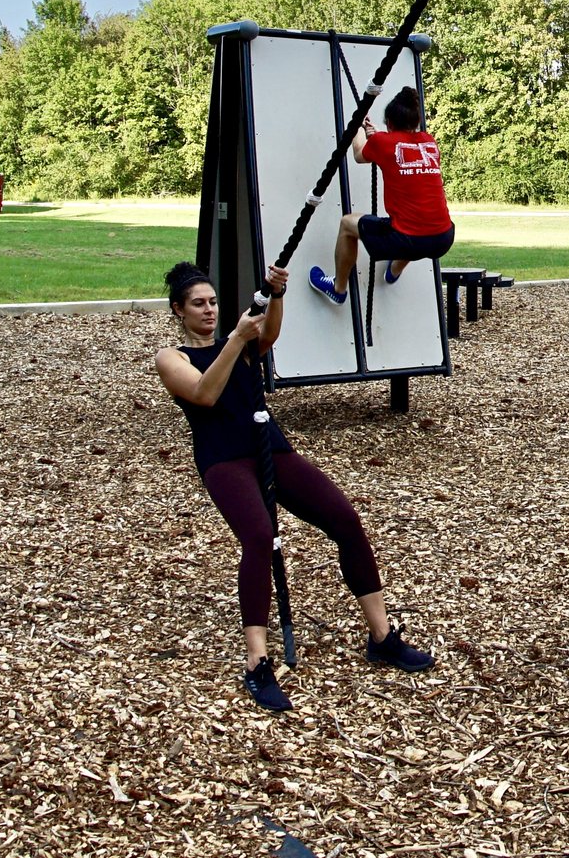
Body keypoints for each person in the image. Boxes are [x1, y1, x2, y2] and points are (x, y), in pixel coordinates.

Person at [155, 262, 434, 710]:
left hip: (270, 447)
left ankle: (381, 636)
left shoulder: (242, 341)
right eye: (198, 304)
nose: (209, 310)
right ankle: (257, 662)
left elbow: (268, 336)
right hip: (225, 460)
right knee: (259, 539)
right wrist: (235, 340)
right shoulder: (173, 359)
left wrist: (276, 295)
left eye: (212, 302)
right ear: (178, 310)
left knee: (345, 520)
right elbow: (206, 394)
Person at [313, 84, 455, 305]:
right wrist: (378, 136)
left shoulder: (382, 143)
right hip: (443, 238)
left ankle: (338, 288)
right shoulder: (429, 142)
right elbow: (400, 149)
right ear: (415, 122)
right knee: (416, 221)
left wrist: (359, 126)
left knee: (347, 224)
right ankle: (394, 270)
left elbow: (360, 154)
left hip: (409, 240)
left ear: (389, 122)